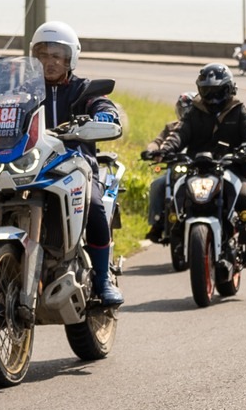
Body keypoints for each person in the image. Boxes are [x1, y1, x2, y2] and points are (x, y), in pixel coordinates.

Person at [30, 21, 127, 306]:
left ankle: (102, 279)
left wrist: (105, 115)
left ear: (70, 58)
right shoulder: (25, 90)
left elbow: (101, 103)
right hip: (32, 164)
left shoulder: (83, 89)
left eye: (56, 55)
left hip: (76, 164)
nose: (49, 62)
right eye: (43, 55)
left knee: (94, 206)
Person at [178, 63, 246, 260]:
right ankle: (176, 237)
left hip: (230, 166)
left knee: (245, 196)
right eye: (207, 90)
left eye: (217, 91)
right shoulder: (194, 111)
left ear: (229, 89)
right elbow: (179, 133)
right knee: (176, 194)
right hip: (198, 167)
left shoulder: (239, 109)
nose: (212, 96)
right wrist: (163, 150)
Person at [142, 93, 195, 242]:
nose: (186, 114)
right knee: (157, 185)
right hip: (175, 169)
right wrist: (152, 151)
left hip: (196, 170)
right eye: (184, 110)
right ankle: (156, 223)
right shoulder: (171, 127)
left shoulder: (202, 128)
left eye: (190, 111)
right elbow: (157, 142)